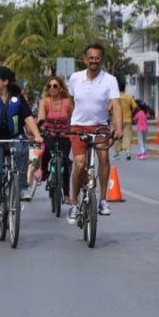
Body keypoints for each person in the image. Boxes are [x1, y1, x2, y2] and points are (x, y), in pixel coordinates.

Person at [0, 66, 43, 232]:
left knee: (22, 149)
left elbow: (28, 117)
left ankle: (21, 187)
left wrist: (37, 135)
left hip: (15, 136)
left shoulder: (18, 98)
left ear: (5, 81)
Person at [66, 43, 123, 225]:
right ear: (85, 60)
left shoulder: (110, 80)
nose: (94, 61)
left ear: (102, 60)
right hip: (78, 126)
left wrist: (119, 127)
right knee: (80, 163)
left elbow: (116, 105)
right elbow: (71, 102)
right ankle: (74, 203)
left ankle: (103, 200)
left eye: (98, 58)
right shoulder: (75, 78)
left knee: (104, 157)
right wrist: (70, 123)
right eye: (91, 58)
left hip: (100, 126)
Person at [36, 76, 73, 205]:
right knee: (46, 149)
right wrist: (39, 127)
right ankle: (43, 170)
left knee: (65, 161)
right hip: (49, 132)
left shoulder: (68, 102)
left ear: (61, 89)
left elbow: (74, 118)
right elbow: (41, 116)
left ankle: (67, 194)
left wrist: (75, 130)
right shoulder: (44, 102)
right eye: (49, 86)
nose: (52, 88)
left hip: (64, 134)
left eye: (55, 86)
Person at [109, 80, 136, 160]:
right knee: (127, 136)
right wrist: (131, 113)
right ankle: (127, 152)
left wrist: (112, 114)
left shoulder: (115, 97)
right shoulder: (129, 97)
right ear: (124, 88)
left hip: (116, 121)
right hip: (127, 119)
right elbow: (134, 106)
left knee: (116, 136)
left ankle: (117, 153)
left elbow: (109, 108)